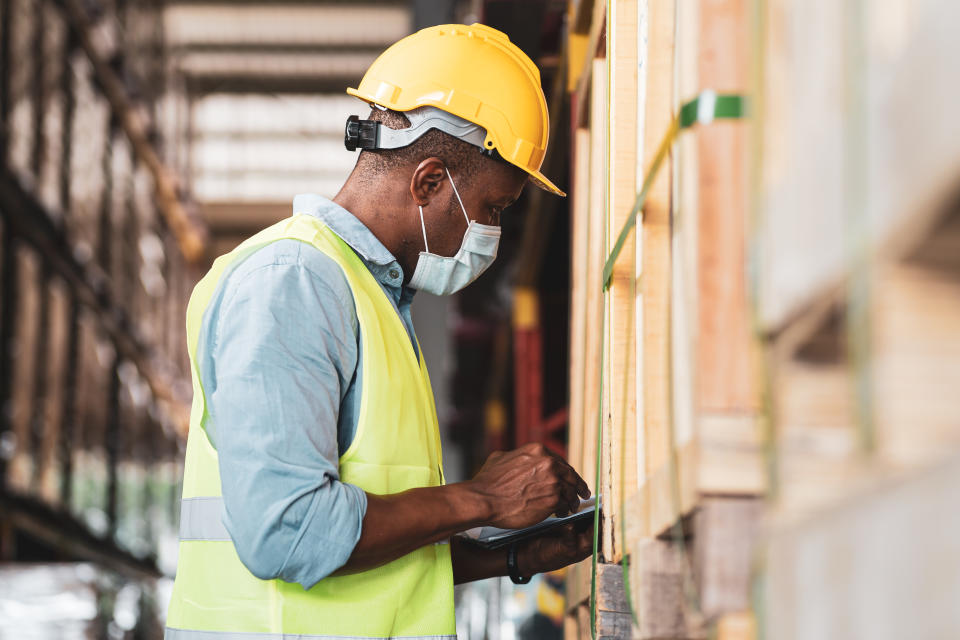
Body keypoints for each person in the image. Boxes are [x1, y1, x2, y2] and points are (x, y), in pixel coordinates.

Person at [164, 23, 592, 640]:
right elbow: (291, 531)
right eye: (493, 209)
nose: (491, 236)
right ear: (428, 181)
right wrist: (482, 499)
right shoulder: (294, 283)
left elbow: (373, 567)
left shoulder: (375, 298)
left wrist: (515, 554)